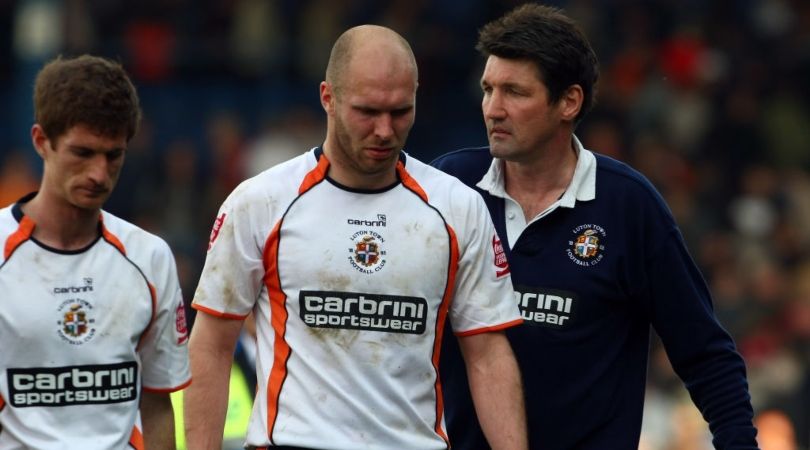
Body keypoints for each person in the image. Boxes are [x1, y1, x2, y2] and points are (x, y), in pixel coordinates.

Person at [184, 25, 527, 450]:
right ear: (328, 97)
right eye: (367, 111)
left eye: (400, 111)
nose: (385, 130)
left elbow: (488, 355)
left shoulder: (457, 207)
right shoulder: (260, 202)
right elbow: (212, 347)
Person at [432, 4, 759, 449]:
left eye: (515, 92)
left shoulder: (628, 205)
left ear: (569, 101)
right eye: (488, 89)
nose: (493, 108)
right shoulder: (450, 186)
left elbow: (705, 354)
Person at [0, 55, 191, 449]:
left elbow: (157, 406)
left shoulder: (149, 258)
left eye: (114, 155)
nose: (99, 174)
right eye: (83, 153)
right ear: (41, 141)